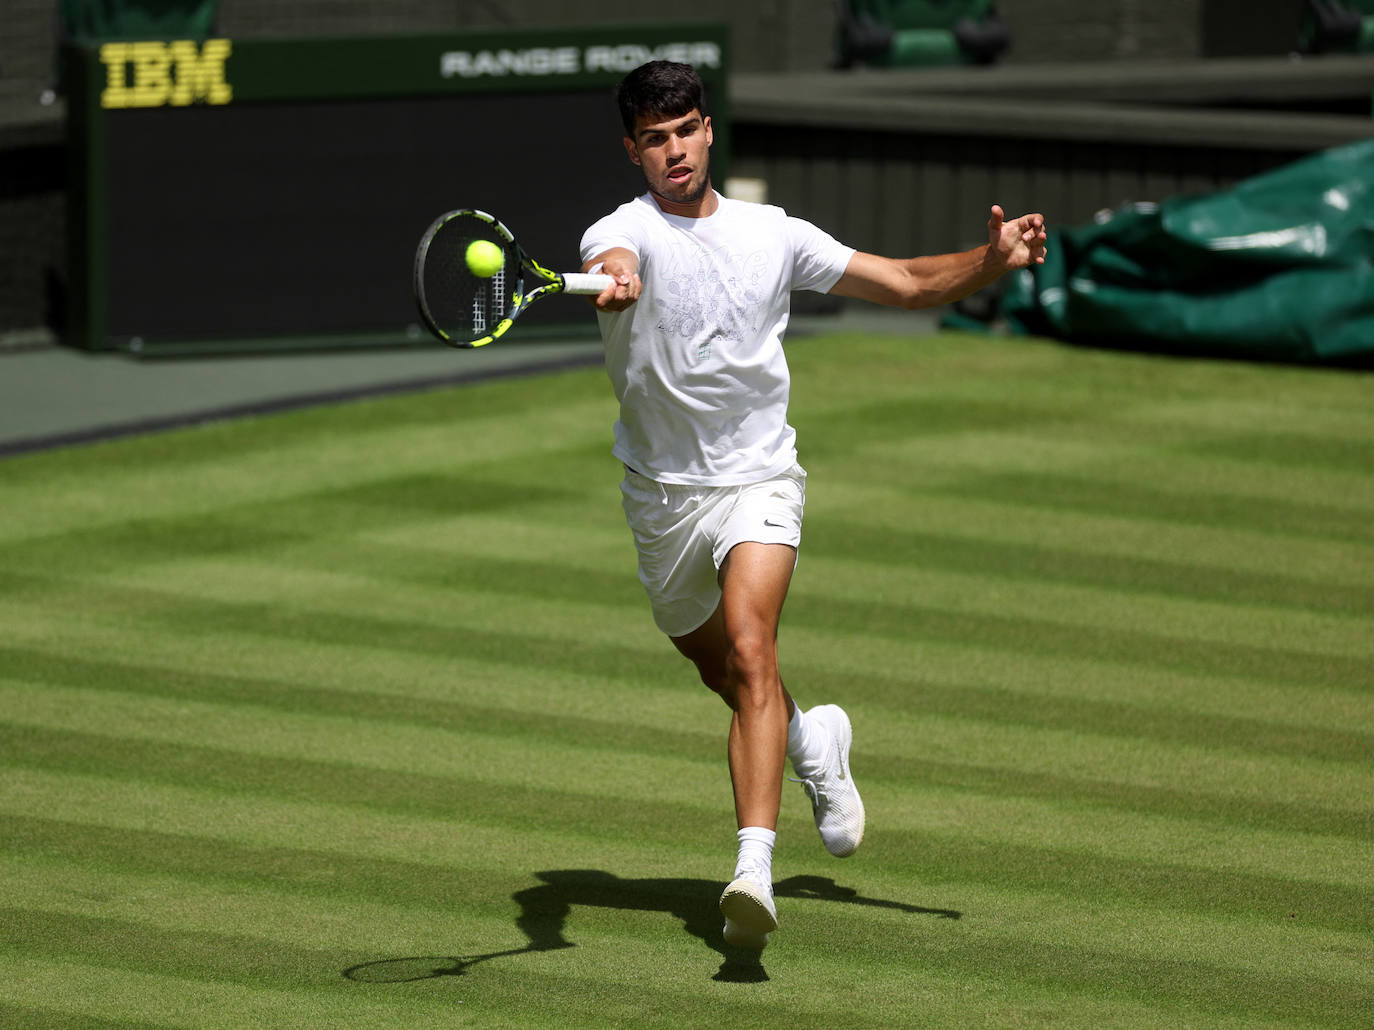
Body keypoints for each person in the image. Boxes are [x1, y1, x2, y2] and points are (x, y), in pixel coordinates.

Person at [578, 60, 1046, 952]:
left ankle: (751, 871)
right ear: (633, 150)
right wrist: (618, 277)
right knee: (722, 672)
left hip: (759, 477)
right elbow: (616, 259)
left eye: (686, 132)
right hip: (662, 499)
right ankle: (812, 742)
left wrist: (993, 260)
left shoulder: (772, 233)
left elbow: (906, 281)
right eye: (654, 139)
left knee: (754, 652)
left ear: (708, 130)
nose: (674, 152)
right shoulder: (617, 232)